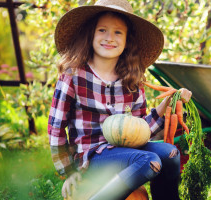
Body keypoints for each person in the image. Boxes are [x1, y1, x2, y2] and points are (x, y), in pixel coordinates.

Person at [48, 0, 192, 199]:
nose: (109, 38)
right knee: (149, 160)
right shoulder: (73, 75)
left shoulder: (131, 79)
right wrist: (68, 172)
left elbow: (140, 131)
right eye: (102, 30)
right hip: (91, 156)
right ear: (91, 34)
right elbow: (56, 129)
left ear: (127, 41)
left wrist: (166, 104)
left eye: (118, 32)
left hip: (125, 150)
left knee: (170, 154)